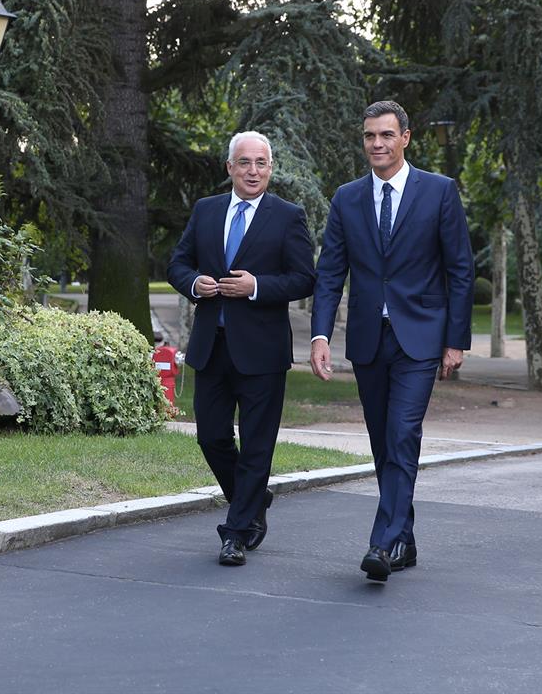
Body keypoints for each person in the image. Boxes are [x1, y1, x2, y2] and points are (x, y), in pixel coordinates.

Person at [309, 101, 474, 582]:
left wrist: (455, 340)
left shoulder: (439, 192)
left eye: (385, 135)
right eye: (368, 136)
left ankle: (382, 544)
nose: (376, 144)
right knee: (383, 442)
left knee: (403, 435)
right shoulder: (347, 198)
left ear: (405, 137)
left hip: (420, 338)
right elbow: (330, 273)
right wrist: (320, 334)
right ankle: (406, 538)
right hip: (367, 338)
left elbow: (460, 270)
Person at [167, 131, 316, 566]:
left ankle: (235, 532)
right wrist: (194, 283)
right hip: (211, 348)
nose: (254, 171)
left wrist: (256, 287)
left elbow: (304, 278)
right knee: (211, 436)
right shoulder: (207, 210)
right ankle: (253, 501)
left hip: (263, 353)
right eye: (245, 163)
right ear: (229, 167)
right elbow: (178, 263)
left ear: (271, 168)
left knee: (256, 446)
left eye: (262, 163)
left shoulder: (288, 216)